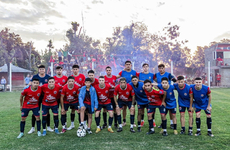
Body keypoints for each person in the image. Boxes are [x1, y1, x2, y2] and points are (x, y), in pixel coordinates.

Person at [28, 65, 52, 134]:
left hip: (45, 97)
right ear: (39, 70)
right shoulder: (35, 77)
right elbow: (30, 84)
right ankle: (32, 128)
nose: (42, 70)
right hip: (36, 97)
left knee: (47, 112)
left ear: (45, 70)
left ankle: (48, 126)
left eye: (43, 69)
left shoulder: (48, 77)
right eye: (40, 69)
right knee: (35, 112)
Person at [116, 60, 138, 126]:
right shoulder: (122, 72)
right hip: (123, 92)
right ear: (125, 65)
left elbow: (138, 79)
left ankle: (133, 122)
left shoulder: (134, 72)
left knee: (132, 107)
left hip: (132, 92)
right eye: (127, 64)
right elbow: (116, 77)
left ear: (131, 65)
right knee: (124, 108)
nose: (128, 65)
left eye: (129, 64)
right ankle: (124, 121)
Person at [154, 63, 176, 129]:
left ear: (164, 68)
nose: (161, 69)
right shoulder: (156, 75)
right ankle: (163, 123)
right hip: (161, 94)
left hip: (169, 92)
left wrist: (175, 81)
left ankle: (172, 123)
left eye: (162, 68)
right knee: (163, 111)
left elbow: (173, 79)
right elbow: (155, 82)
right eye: (159, 68)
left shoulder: (168, 74)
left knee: (170, 110)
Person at [138, 63, 155, 127]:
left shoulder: (152, 75)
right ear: (143, 68)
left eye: (147, 67)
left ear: (148, 67)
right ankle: (142, 121)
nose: (145, 68)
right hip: (142, 94)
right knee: (141, 111)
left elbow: (155, 81)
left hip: (150, 95)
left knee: (151, 110)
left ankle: (153, 121)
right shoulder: (140, 74)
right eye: (144, 67)